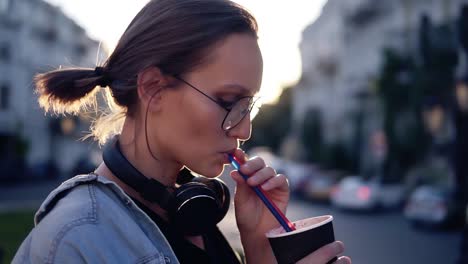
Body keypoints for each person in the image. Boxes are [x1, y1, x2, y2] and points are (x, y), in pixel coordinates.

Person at [13, 0, 351, 263]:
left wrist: (260, 248)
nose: (245, 129)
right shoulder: (75, 241)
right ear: (153, 88)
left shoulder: (190, 215)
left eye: (248, 105)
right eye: (229, 101)